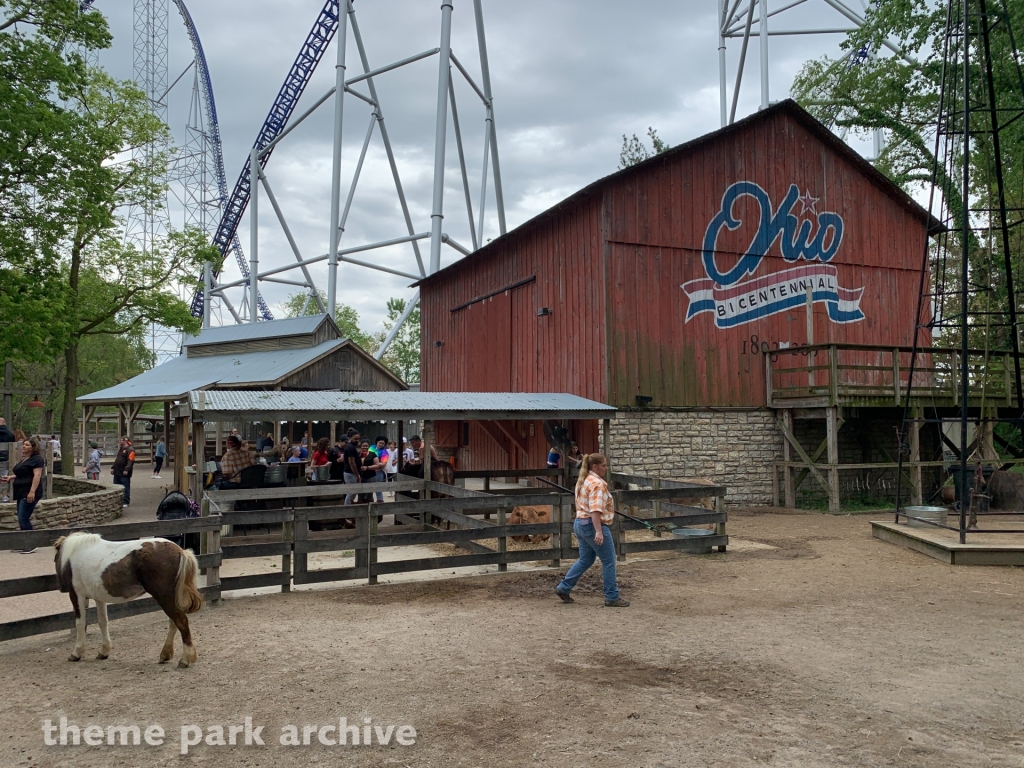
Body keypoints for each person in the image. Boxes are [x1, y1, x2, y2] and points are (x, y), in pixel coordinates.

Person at [554, 453, 629, 607]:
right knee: (609, 561)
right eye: (604, 465)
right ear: (595, 466)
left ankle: (564, 587)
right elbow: (595, 510)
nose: (606, 468)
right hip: (593, 525)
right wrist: (599, 531)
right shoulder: (597, 484)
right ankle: (612, 596)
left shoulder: (584, 480)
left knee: (586, 559)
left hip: (580, 523)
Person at [1, 437, 44, 544]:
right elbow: (24, 473)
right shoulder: (25, 459)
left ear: (33, 447)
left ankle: (30, 544)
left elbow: (37, 475)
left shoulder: (37, 459)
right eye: (23, 444)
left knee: (23, 518)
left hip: (29, 492)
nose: (24, 446)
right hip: (20, 491)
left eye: (27, 445)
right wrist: (11, 477)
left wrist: (32, 491)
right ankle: (24, 543)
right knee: (21, 518)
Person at [111, 437, 136, 508]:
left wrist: (126, 469)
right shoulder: (121, 449)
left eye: (121, 440)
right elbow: (117, 459)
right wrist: (113, 467)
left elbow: (131, 461)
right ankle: (118, 501)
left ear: (126, 441)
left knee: (125, 487)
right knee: (116, 487)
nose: (119, 441)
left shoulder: (130, 450)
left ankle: (126, 501)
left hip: (124, 473)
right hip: (117, 472)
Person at [358, 440, 382, 504]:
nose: (365, 447)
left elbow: (377, 465)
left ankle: (371, 510)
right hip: (360, 477)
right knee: (360, 495)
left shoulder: (373, 454)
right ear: (361, 446)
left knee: (369, 495)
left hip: (371, 477)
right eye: (363, 446)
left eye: (366, 446)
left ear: (369, 446)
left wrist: (367, 467)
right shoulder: (358, 454)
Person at [342, 432, 362, 505]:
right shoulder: (350, 447)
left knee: (353, 492)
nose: (357, 440)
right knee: (351, 492)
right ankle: (347, 510)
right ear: (349, 438)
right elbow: (351, 462)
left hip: (351, 473)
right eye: (355, 439)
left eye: (358, 439)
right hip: (351, 473)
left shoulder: (351, 447)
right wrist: (357, 475)